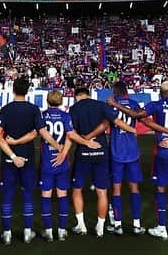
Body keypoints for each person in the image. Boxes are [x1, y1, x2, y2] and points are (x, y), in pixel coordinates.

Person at [109, 81, 168, 241]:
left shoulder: (154, 105)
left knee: (157, 189)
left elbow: (139, 118)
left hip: (154, 151)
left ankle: (123, 224)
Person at [0, 77, 60, 245]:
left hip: (9, 158)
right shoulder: (34, 110)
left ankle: (7, 233)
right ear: (28, 90)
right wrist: (58, 146)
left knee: (8, 195)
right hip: (27, 158)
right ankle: (27, 232)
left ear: (13, 90)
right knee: (27, 195)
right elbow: (41, 133)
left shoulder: (6, 109)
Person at [104, 81, 145, 235]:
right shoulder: (133, 103)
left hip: (116, 150)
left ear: (114, 92)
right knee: (134, 188)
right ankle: (136, 223)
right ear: (126, 91)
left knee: (116, 189)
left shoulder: (110, 104)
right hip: (132, 150)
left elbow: (105, 124)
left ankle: (118, 224)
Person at [68, 87, 110, 238]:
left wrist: (85, 140)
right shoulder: (100, 105)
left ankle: (81, 225)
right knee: (102, 191)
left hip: (83, 152)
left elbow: (70, 132)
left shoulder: (74, 108)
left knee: (77, 188)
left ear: (77, 96)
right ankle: (100, 227)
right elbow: (108, 121)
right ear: (89, 94)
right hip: (101, 151)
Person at [38, 90, 75, 242]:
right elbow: (70, 136)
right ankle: (61, 230)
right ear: (61, 101)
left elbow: (38, 133)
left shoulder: (42, 115)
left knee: (46, 196)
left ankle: (48, 231)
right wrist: (63, 153)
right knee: (62, 196)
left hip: (47, 161)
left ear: (47, 101)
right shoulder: (66, 116)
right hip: (62, 162)